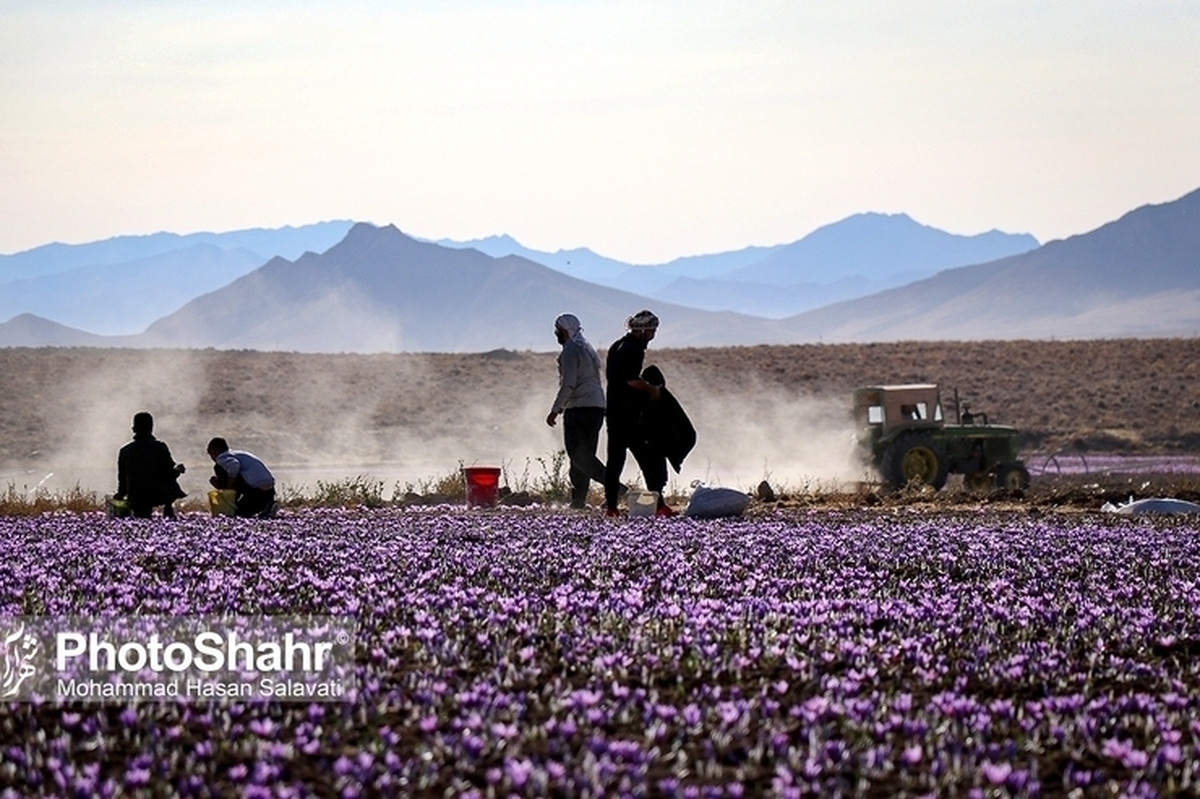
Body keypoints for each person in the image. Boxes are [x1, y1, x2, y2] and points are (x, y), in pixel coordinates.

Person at [603, 309, 676, 517]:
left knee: (614, 461)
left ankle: (611, 508)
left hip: (614, 413)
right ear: (642, 330)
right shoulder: (633, 349)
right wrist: (652, 390)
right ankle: (659, 506)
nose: (653, 336)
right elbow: (631, 380)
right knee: (648, 459)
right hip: (630, 416)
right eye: (652, 331)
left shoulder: (617, 346)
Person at [545, 313, 608, 509]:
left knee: (577, 453)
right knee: (585, 453)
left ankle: (612, 485)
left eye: (558, 330)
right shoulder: (587, 349)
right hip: (596, 407)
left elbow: (568, 384)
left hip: (579, 408)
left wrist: (556, 409)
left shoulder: (571, 351)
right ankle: (578, 499)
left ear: (564, 331)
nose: (556, 334)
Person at [115, 411, 186, 519]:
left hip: (136, 497)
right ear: (151, 428)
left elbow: (122, 479)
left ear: (133, 429)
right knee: (170, 483)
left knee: (141, 517)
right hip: (158, 495)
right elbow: (168, 474)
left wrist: (120, 494)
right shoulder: (160, 447)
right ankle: (168, 513)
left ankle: (142, 518)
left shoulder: (125, 451)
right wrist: (178, 470)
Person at [206, 437, 277, 518]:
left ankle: (263, 505)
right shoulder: (237, 454)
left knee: (238, 513)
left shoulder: (222, 458)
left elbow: (234, 465)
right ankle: (267, 504)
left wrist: (226, 488)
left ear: (214, 452)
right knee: (244, 510)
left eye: (211, 455)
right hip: (269, 491)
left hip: (256, 491)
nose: (212, 458)